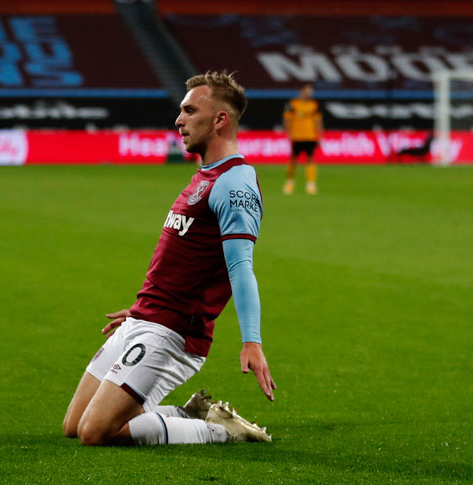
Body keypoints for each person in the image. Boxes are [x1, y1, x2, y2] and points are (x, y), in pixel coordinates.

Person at [62, 71, 276, 446]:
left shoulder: (235, 182)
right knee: (74, 424)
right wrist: (143, 306)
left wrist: (251, 341)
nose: (179, 120)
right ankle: (188, 414)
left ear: (220, 119)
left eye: (190, 110)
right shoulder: (205, 175)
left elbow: (240, 267)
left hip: (174, 331)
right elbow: (184, 258)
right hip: (147, 315)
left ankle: (218, 430)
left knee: (96, 432)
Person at [283, 83, 323, 195]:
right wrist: (288, 133)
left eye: (311, 91)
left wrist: (319, 135)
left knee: (310, 159)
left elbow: (318, 121)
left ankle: (311, 185)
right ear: (301, 91)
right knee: (293, 160)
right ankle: (289, 183)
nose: (309, 93)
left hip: (310, 136)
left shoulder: (314, 105)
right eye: (307, 90)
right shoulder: (293, 104)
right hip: (297, 136)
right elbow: (287, 119)